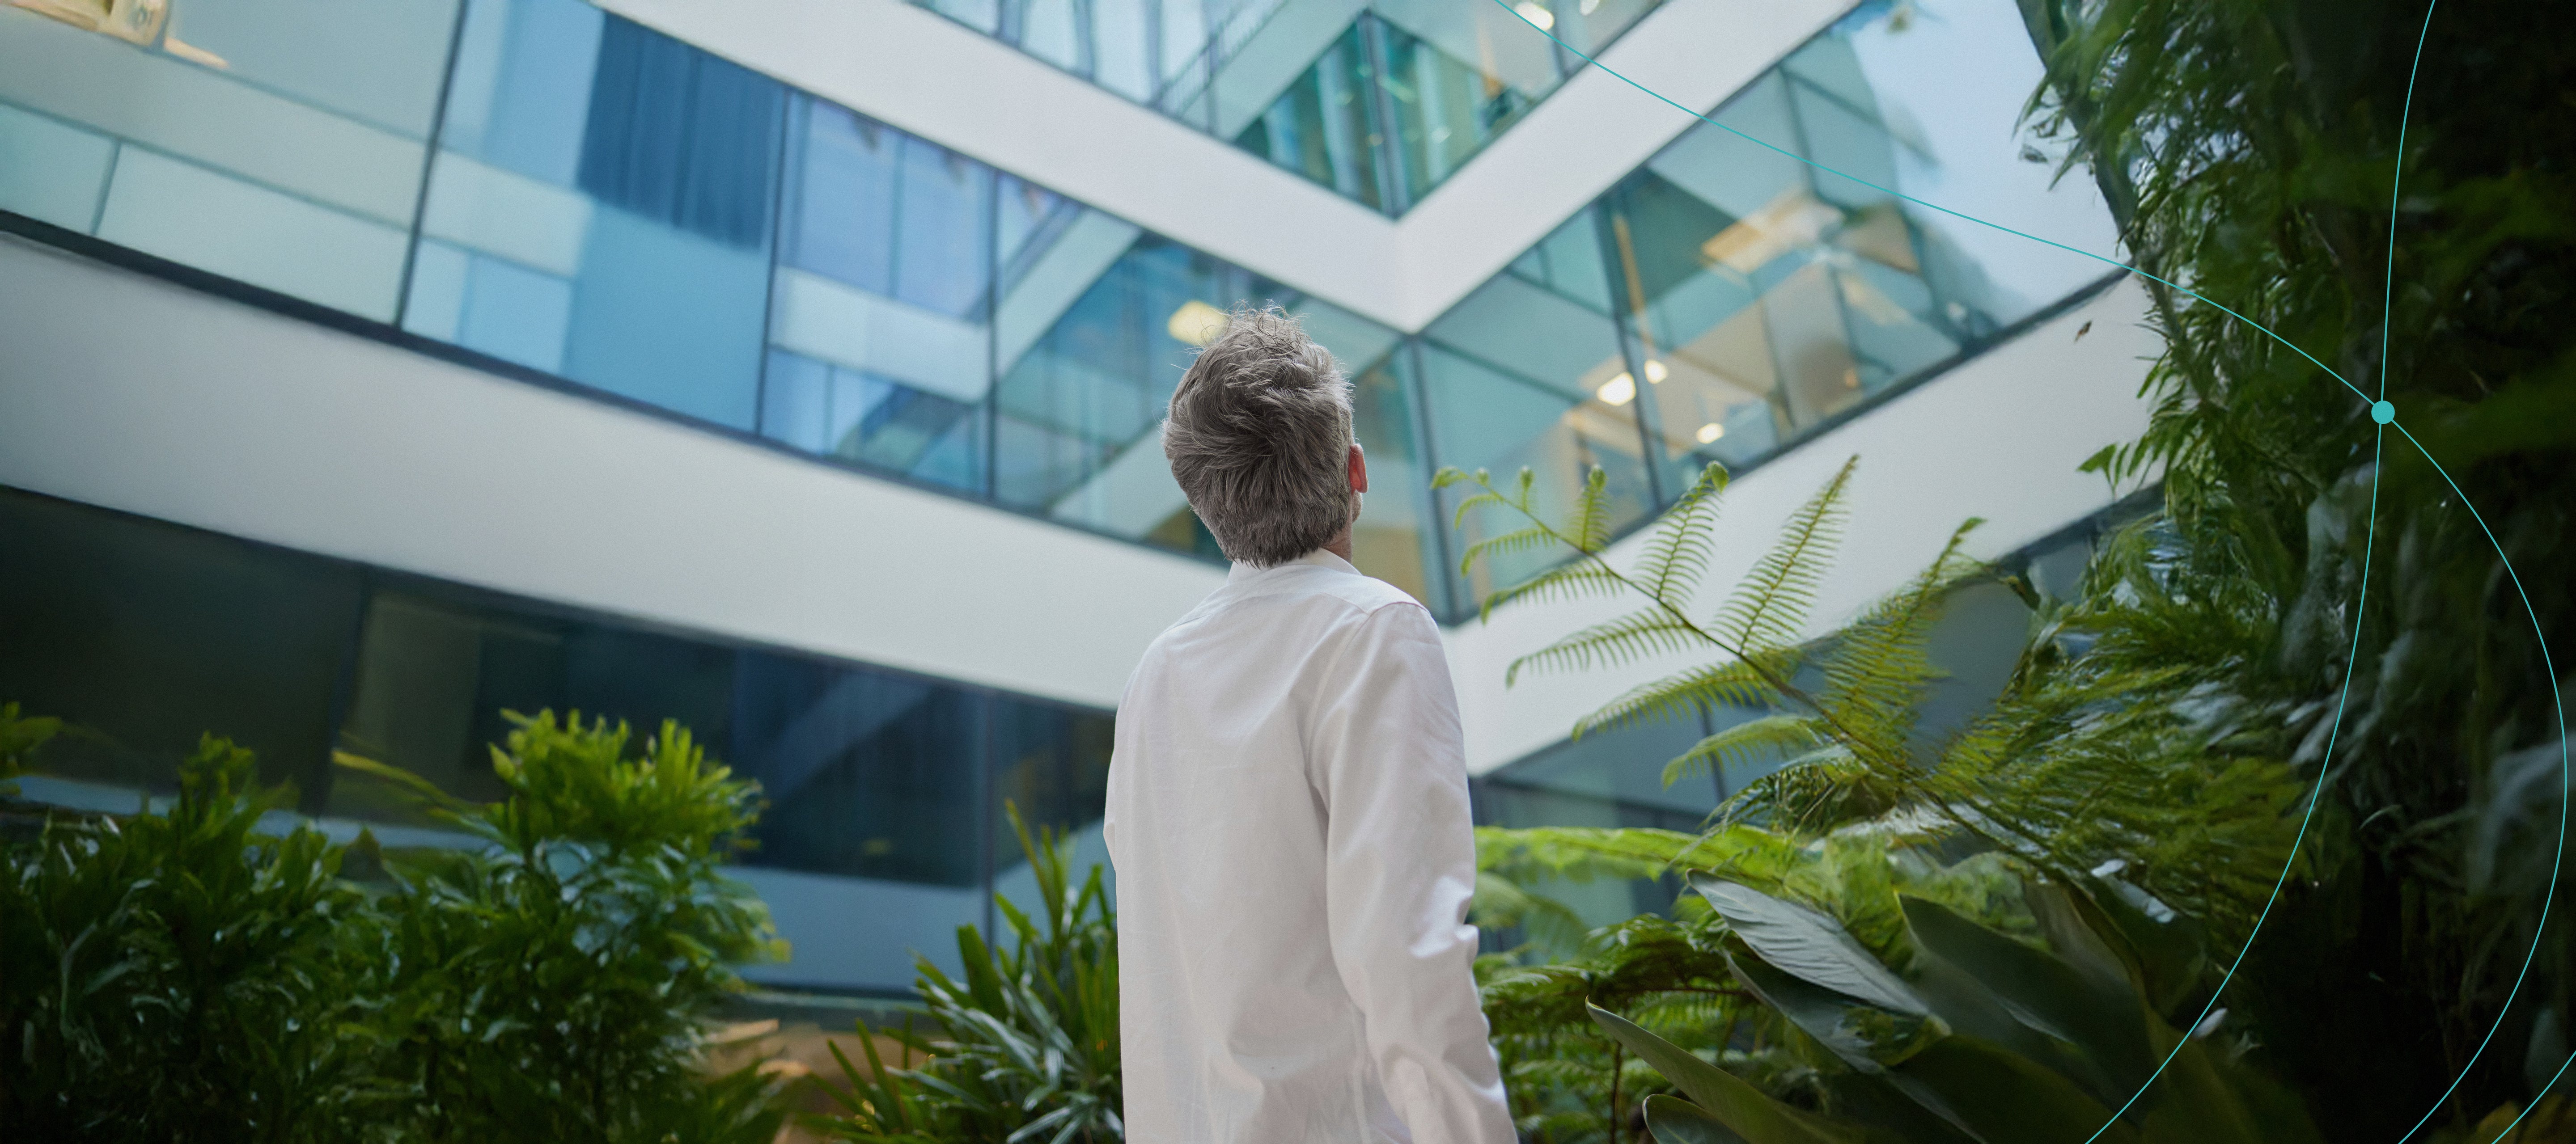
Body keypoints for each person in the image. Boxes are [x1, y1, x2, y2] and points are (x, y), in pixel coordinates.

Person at [1103, 306, 1515, 1144]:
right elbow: (1410, 959)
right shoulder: (1374, 630)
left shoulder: (1155, 677)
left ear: (1206, 508)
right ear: (1357, 471)